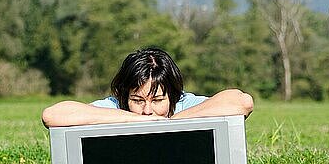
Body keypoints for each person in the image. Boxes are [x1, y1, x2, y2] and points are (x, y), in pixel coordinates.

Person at [42, 47, 254, 127]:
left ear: (173, 95)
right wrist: (134, 120)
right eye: (137, 100)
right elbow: (52, 115)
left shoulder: (184, 105)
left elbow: (243, 102)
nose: (147, 110)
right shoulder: (115, 107)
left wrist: (168, 123)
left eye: (158, 100)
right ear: (124, 95)